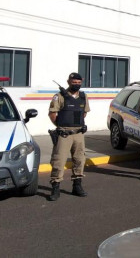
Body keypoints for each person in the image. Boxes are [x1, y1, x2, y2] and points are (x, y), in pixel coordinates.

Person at [48, 72, 89, 201]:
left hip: (78, 134)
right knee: (58, 161)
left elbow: (84, 113)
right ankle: (55, 188)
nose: (76, 85)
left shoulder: (83, 96)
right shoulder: (59, 96)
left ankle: (77, 186)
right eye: (74, 82)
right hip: (64, 134)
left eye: (78, 83)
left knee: (79, 160)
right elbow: (52, 114)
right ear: (68, 82)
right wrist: (61, 126)